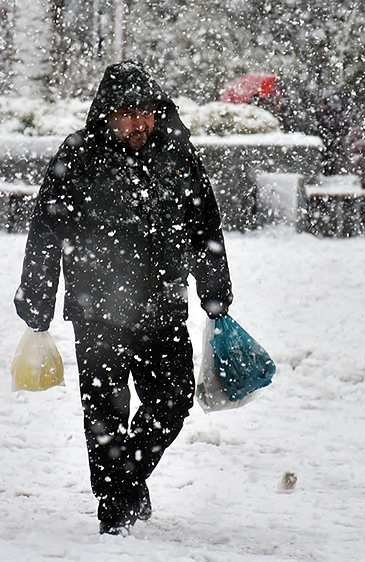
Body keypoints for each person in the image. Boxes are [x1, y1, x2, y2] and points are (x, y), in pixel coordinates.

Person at [15, 61, 233, 535]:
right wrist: (37, 299)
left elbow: (205, 227)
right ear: (107, 115)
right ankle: (116, 509)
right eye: (128, 113)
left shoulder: (178, 154)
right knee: (105, 416)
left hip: (163, 307)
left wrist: (216, 293)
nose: (139, 123)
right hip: (98, 313)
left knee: (173, 402)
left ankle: (125, 484)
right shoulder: (79, 156)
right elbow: (47, 230)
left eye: (147, 112)